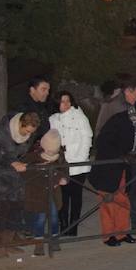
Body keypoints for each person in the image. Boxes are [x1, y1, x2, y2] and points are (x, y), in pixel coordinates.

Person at [0, 111, 41, 256]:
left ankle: (9, 243)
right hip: (1, 177)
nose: (28, 135)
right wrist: (12, 163)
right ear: (20, 124)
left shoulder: (30, 132)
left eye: (31, 132)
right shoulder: (2, 134)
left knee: (17, 208)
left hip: (17, 177)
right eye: (26, 131)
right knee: (3, 210)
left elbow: (26, 152)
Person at [88, 107, 136, 246]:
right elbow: (103, 143)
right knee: (107, 202)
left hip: (122, 168)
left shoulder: (134, 123)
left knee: (123, 201)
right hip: (107, 168)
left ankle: (122, 232)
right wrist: (121, 155)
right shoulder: (118, 121)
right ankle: (108, 235)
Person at [49, 90, 93, 237]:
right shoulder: (53, 119)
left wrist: (80, 157)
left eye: (68, 101)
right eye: (62, 101)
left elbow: (87, 137)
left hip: (77, 162)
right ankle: (63, 225)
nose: (66, 104)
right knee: (62, 196)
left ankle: (73, 227)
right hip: (60, 162)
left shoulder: (79, 117)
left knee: (75, 196)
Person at [22, 130, 69, 256]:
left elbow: (65, 170)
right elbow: (25, 173)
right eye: (48, 151)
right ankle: (39, 243)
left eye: (54, 151)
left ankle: (54, 239)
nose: (51, 154)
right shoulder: (33, 157)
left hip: (53, 193)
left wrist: (64, 178)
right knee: (40, 218)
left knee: (54, 217)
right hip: (38, 194)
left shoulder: (60, 157)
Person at [14, 75, 54, 145]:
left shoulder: (43, 107)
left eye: (48, 90)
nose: (47, 93)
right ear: (32, 90)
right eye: (43, 89)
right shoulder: (23, 108)